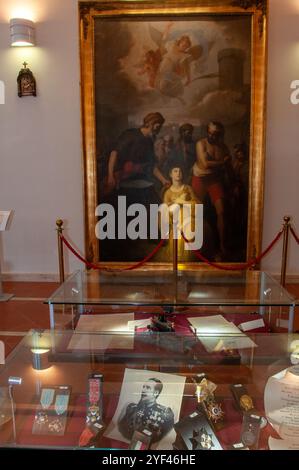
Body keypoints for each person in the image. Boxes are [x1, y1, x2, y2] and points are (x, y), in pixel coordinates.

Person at [191, 121, 231, 258]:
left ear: (220, 134)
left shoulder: (223, 147)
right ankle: (195, 244)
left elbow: (225, 167)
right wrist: (221, 162)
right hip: (200, 179)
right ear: (207, 131)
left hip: (214, 180)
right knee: (195, 212)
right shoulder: (200, 144)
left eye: (216, 134)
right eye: (210, 133)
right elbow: (204, 164)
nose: (213, 136)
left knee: (222, 212)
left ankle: (222, 245)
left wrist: (222, 165)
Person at [106, 112, 170, 193]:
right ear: (149, 124)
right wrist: (110, 176)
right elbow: (114, 153)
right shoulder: (130, 134)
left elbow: (152, 165)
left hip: (140, 180)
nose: (158, 130)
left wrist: (163, 180)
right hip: (124, 180)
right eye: (157, 127)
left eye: (160, 127)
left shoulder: (149, 141)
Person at [118, 378, 174, 443]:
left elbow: (161, 439)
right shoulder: (131, 407)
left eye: (148, 388)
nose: (143, 390)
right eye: (143, 387)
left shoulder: (164, 413)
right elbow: (120, 427)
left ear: (156, 393)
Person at [163, 164, 200, 261]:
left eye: (180, 171)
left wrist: (182, 202)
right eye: (175, 171)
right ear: (170, 174)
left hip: (188, 220)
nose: (178, 173)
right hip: (176, 224)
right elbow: (165, 213)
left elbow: (198, 205)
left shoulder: (187, 188)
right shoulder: (168, 193)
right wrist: (174, 205)